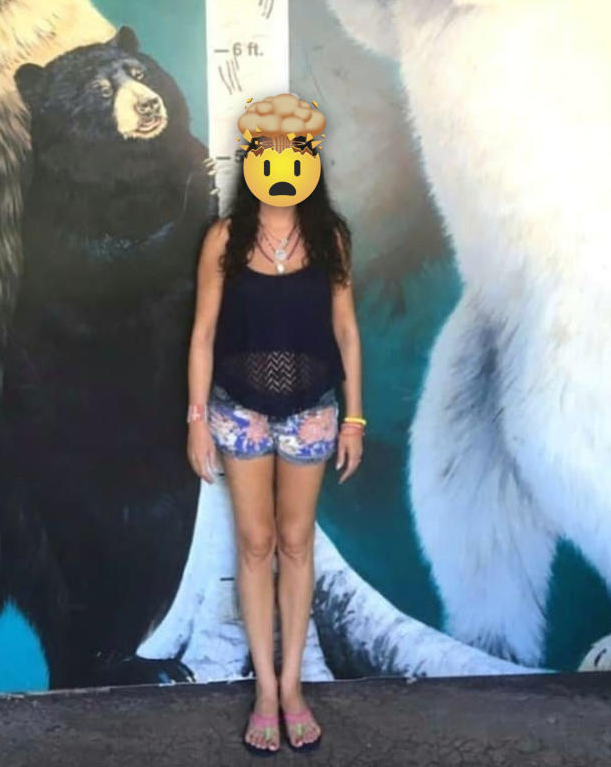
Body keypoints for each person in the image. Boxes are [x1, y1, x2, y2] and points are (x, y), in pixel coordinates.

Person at [186, 122, 365, 756]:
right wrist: (197, 419)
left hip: (313, 411)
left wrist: (354, 418)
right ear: (252, 164)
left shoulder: (330, 238)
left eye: (296, 160)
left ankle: (293, 688)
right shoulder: (225, 239)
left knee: (295, 541)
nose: (283, 171)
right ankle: (264, 688)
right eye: (272, 159)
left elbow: (346, 332)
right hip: (239, 412)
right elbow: (203, 334)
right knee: (255, 542)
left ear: (311, 166)